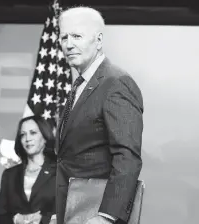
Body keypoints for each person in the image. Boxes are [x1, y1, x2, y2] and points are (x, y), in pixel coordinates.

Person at [51, 6, 144, 224]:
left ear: (99, 40)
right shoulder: (80, 85)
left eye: (76, 36)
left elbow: (127, 157)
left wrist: (106, 216)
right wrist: (61, 212)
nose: (68, 44)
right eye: (64, 37)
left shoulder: (116, 83)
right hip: (73, 214)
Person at [0, 115, 57, 224]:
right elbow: (1, 218)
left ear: (45, 137)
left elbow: (69, 213)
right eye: (23, 135)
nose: (28, 139)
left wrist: (43, 219)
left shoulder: (59, 172)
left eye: (33, 133)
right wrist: (15, 219)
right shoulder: (9, 175)